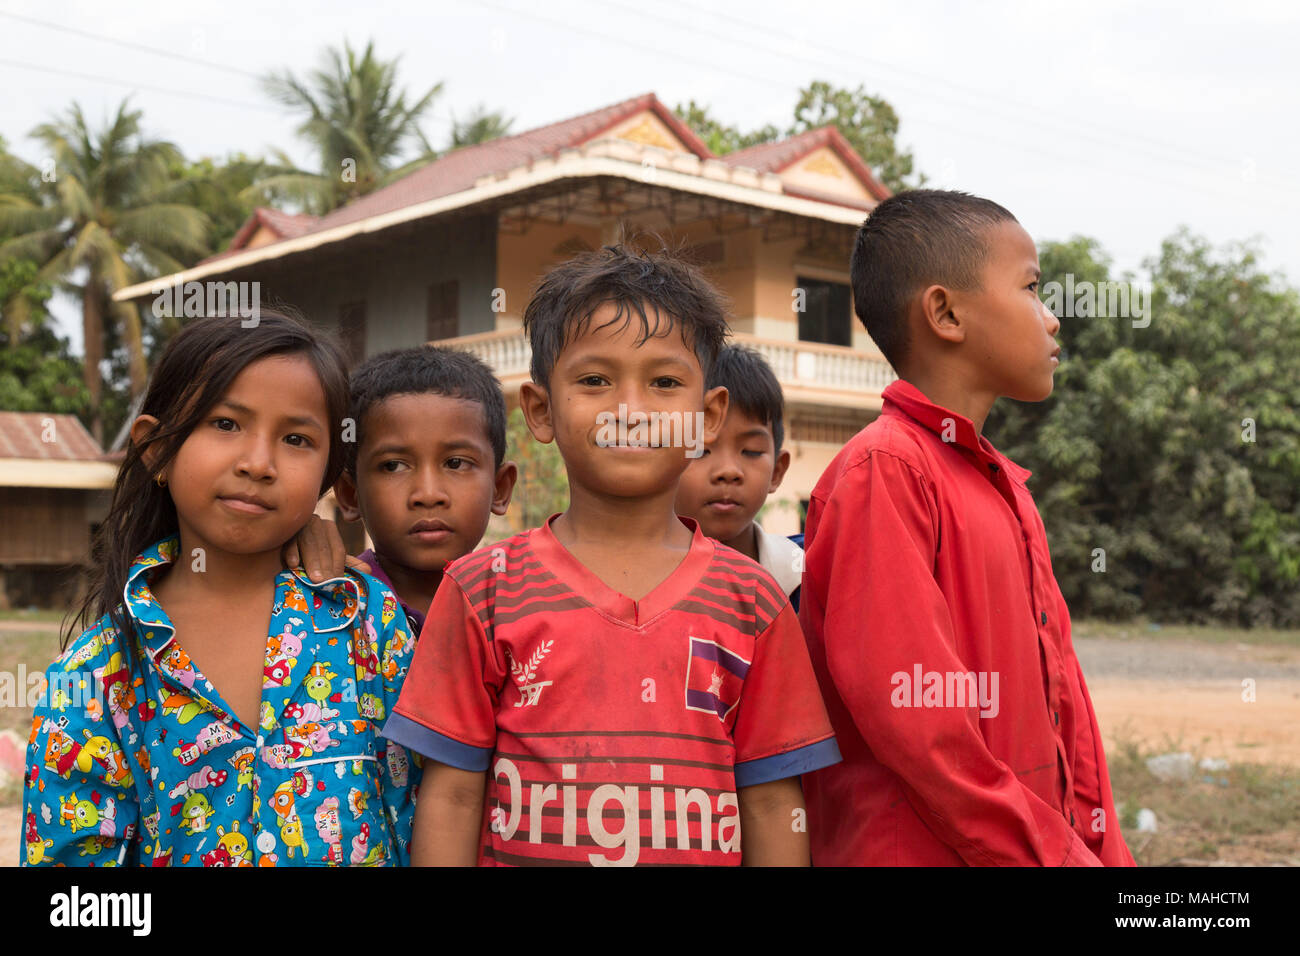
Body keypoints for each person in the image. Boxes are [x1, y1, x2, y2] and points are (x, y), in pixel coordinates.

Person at [382, 243, 840, 866]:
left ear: (707, 418)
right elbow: (454, 798)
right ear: (541, 411)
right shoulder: (482, 590)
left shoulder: (752, 601)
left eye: (664, 382)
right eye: (595, 380)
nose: (631, 409)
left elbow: (770, 804)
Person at [800, 190, 1136, 866]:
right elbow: (919, 728)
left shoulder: (1004, 485)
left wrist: (1101, 847)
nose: (1053, 321)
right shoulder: (885, 472)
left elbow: (1063, 702)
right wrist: (1055, 856)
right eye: (1033, 289)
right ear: (946, 313)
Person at [22, 311, 421, 867]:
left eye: (296, 439)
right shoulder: (96, 677)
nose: (258, 463)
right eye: (226, 424)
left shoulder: (367, 625)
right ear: (156, 449)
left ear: (329, 475)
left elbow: (423, 816)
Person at [293, 346, 517, 635]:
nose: (427, 494)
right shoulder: (330, 605)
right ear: (350, 494)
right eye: (393, 466)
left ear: (500, 489)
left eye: (455, 463)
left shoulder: (523, 612)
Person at [675, 344, 805, 610]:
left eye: (751, 452)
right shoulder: (636, 582)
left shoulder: (801, 576)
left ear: (777, 472)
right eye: (701, 449)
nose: (728, 471)